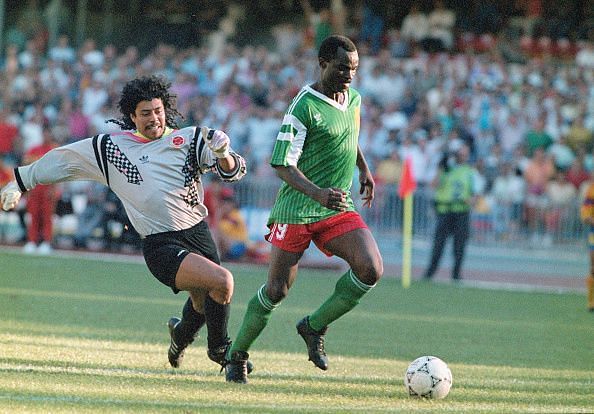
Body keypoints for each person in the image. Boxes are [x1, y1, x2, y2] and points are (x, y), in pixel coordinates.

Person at [0, 75, 250, 372]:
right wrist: (20, 181)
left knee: (203, 302)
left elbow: (233, 172)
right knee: (222, 282)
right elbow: (63, 159)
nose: (154, 118)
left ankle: (178, 338)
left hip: (198, 234)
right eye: (145, 113)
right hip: (161, 244)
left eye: (158, 111)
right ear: (132, 116)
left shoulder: (190, 139)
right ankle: (223, 352)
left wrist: (223, 154)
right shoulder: (111, 148)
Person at [224, 35, 383, 383]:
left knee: (370, 268)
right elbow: (282, 164)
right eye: (343, 68)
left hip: (335, 207)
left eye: (354, 68)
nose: (349, 75)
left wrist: (364, 169)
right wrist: (317, 193)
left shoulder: (353, 99)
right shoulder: (303, 107)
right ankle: (236, 355)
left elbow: (348, 138)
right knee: (277, 290)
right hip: (297, 208)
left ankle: (314, 327)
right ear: (323, 64)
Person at [423, 143, 476, 281]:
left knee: (459, 246)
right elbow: (434, 184)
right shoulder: (446, 169)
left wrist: (471, 200)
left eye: (465, 155)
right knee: (438, 244)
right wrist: (441, 168)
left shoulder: (468, 171)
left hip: (461, 212)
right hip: (445, 211)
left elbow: (473, 192)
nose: (463, 157)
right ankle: (430, 272)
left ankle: (456, 274)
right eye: (461, 154)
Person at [580, 179, 594, 312]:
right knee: (593, 266)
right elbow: (586, 212)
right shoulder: (591, 190)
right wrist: (589, 218)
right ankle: (591, 302)